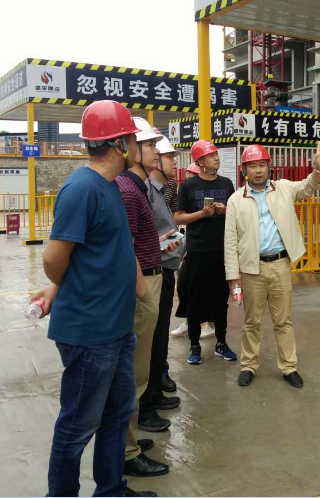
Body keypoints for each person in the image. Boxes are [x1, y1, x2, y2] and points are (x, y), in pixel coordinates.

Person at [33, 101, 156, 497]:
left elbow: (95, 253)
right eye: (133, 139)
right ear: (119, 144)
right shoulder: (82, 189)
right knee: (77, 426)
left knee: (118, 413)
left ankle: (111, 490)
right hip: (90, 333)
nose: (136, 145)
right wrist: (62, 285)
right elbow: (54, 258)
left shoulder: (109, 186)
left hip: (116, 329)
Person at [225, 142, 320, 388]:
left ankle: (289, 367)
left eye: (262, 165)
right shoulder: (235, 200)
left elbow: (308, 187)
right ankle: (248, 365)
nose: (258, 170)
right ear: (244, 170)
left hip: (280, 264)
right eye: (252, 166)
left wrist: (318, 170)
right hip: (252, 269)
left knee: (283, 320)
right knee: (251, 321)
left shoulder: (284, 188)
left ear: (269, 167)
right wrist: (233, 277)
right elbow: (230, 241)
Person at [115, 116, 173, 477]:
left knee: (139, 371)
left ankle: (131, 439)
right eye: (149, 144)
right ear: (129, 148)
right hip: (143, 286)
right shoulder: (127, 190)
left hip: (151, 280)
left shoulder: (138, 187)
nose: (156, 150)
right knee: (134, 376)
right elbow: (127, 249)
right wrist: (142, 292)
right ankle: (125, 452)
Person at [174, 140, 237, 365]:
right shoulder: (188, 186)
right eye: (211, 155)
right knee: (195, 300)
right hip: (197, 251)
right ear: (200, 161)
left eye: (216, 154)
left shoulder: (226, 183)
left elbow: (236, 213)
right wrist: (201, 214)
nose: (216, 158)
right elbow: (178, 217)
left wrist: (225, 209)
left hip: (221, 250)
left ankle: (221, 343)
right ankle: (194, 345)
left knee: (221, 300)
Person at [139, 130, 185, 424]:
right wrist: (160, 245)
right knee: (151, 342)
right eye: (169, 157)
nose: (172, 161)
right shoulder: (143, 191)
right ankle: (145, 404)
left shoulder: (159, 191)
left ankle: (154, 393)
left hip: (165, 270)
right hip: (153, 273)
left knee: (158, 339)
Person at [170, 164, 216, 341]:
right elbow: (179, 217)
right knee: (184, 285)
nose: (188, 183)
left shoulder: (211, 196)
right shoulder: (187, 195)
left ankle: (207, 324)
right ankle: (189, 321)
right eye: (186, 179)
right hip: (191, 246)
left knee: (205, 288)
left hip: (208, 248)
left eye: (191, 178)